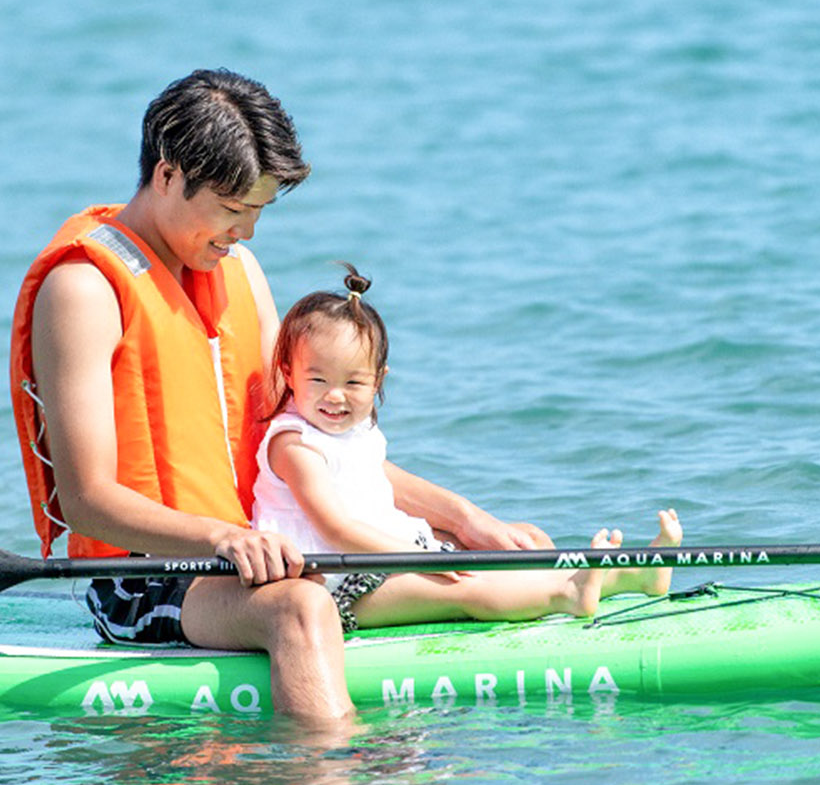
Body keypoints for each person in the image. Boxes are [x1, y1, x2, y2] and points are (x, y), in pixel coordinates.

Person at [9, 69, 546, 723]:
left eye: (258, 211)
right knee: (301, 607)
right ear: (170, 175)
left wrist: (462, 518)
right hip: (147, 575)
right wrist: (221, 536)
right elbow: (87, 500)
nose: (248, 233)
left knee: (458, 548)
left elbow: (314, 448)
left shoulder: (239, 271)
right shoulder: (83, 290)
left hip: (260, 545)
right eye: (233, 211)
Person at [253, 264, 685, 633]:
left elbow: (374, 482)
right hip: (337, 583)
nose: (335, 397)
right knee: (467, 589)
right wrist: (419, 559)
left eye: (353, 382)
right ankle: (567, 594)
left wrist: (452, 532)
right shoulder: (295, 444)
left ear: (379, 380)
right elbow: (336, 530)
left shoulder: (354, 431)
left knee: (521, 543)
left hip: (386, 557)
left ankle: (633, 575)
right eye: (318, 380)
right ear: (289, 373)